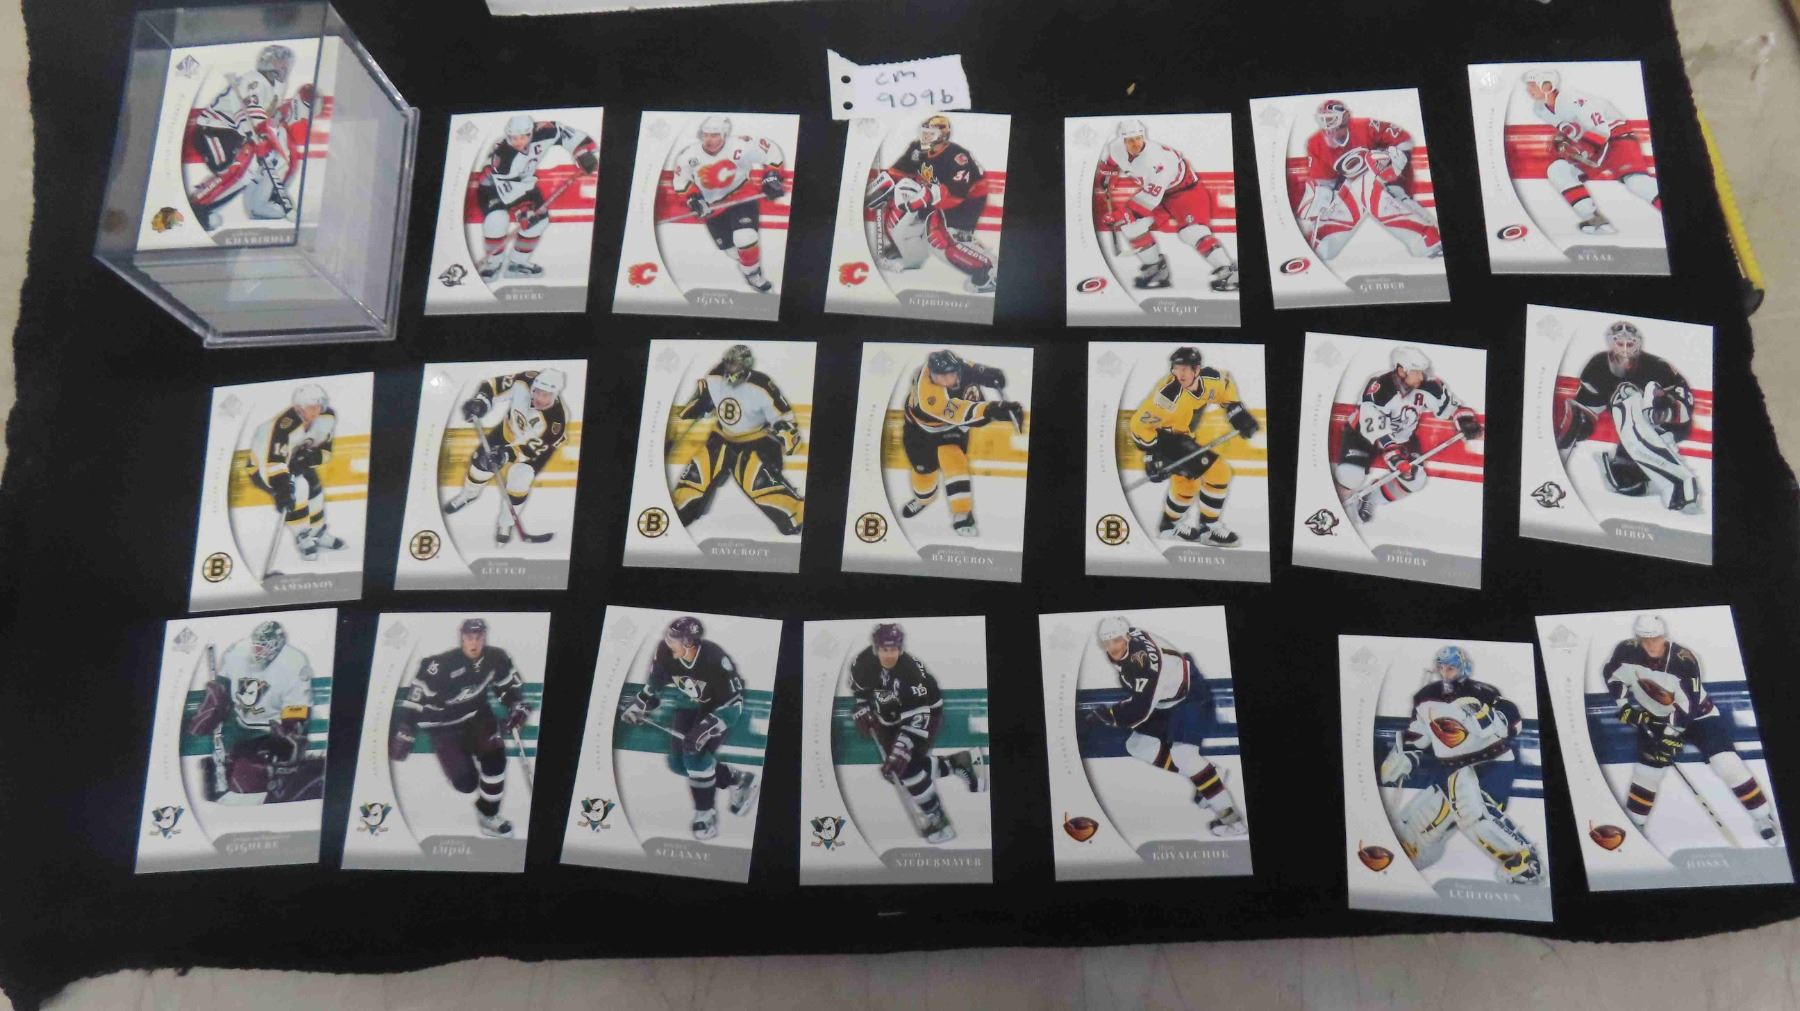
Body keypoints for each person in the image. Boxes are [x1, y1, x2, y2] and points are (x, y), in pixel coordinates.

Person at [1603, 614, 1779, 845]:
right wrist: (1624, 705)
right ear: (1638, 638)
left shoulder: (1684, 660)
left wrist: (1670, 737)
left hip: (1699, 716)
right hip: (1656, 718)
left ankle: (1763, 817)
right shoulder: (1626, 651)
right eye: (1645, 639)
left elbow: (1689, 706)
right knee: (1647, 773)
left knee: (1727, 763)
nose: (1651, 644)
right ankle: (1635, 827)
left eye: (1655, 638)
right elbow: (1612, 675)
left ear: (1663, 635)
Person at [1378, 646, 1543, 884]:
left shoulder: (1482, 691)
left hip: (1491, 763)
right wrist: (1405, 754)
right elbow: (1419, 732)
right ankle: (1409, 851)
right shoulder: (1426, 696)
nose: (1446, 672)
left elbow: (1513, 718)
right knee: (1433, 816)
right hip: (1453, 767)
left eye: (1452, 667)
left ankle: (1524, 861)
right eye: (1442, 667)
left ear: (1463, 667)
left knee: (1473, 813)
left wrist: (1495, 720)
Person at [1085, 617, 1244, 836]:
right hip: (1167, 698)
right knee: (1138, 746)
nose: (1112, 647)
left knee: (1184, 755)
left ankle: (1233, 822)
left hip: (1191, 694)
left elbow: (1139, 711)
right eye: (1106, 642)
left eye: (1116, 641)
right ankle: (1209, 774)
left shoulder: (1144, 665)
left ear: (1127, 637)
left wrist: (1109, 715)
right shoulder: (1127, 642)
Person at [619, 617, 760, 841]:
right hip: (690, 704)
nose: (668, 641)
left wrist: (704, 730)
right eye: (668, 636)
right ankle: (738, 779)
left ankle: (705, 814)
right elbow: (654, 686)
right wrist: (638, 706)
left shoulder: (715, 658)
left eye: (673, 639)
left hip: (719, 709)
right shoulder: (665, 651)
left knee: (694, 756)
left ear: (688, 642)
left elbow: (733, 704)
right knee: (678, 764)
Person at [389, 618, 532, 838]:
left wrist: (517, 706)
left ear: (484, 638)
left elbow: (508, 689)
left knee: (495, 760)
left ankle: (489, 815)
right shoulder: (440, 665)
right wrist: (406, 726)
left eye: (478, 637)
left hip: (476, 716)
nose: (474, 643)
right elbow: (415, 698)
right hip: (443, 725)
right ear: (462, 638)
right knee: (466, 784)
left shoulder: (496, 658)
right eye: (469, 637)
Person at [848, 623, 986, 845]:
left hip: (926, 713)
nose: (889, 654)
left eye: (894, 649)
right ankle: (959, 762)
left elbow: (917, 719)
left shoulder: (910, 672)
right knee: (896, 771)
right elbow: (861, 690)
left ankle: (939, 821)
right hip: (889, 714)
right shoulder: (862, 663)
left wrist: (901, 750)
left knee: (906, 767)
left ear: (900, 648)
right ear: (876, 648)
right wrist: (862, 707)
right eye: (884, 649)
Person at [1555, 320, 1700, 513]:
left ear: (1638, 343)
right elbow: (1587, 410)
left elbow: (1685, 408)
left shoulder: (1658, 367)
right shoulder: (1598, 366)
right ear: (1610, 342)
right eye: (1620, 343)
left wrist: (1663, 410)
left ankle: (1680, 481)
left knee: (1630, 395)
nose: (1624, 349)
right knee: (1627, 482)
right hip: (1632, 427)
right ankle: (1650, 466)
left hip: (1668, 424)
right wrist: (1575, 425)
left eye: (1629, 343)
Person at [1333, 346, 1482, 522]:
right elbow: (1373, 423)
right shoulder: (1380, 386)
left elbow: (1450, 407)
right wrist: (1394, 456)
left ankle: (1369, 498)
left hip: (1403, 437)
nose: (1421, 377)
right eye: (1416, 372)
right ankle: (1333, 504)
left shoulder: (1429, 385)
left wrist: (1465, 420)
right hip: (1362, 435)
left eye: (1422, 372)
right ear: (1401, 370)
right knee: (1350, 476)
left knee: (1416, 479)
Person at [1129, 346, 1260, 546]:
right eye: (1176, 368)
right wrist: (1152, 455)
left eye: (1185, 369)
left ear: (1197, 369)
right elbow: (1139, 426)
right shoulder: (1166, 397)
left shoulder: (1211, 380)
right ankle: (1210, 529)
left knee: (1187, 483)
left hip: (1183, 437)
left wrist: (1237, 412)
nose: (1179, 374)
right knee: (1219, 471)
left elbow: (1226, 386)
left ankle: (1169, 527)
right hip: (1165, 438)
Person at [669, 344, 804, 535]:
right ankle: (676, 516)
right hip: (721, 439)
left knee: (760, 484)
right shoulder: (714, 377)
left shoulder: (762, 384)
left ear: (746, 365)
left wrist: (786, 433)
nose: (729, 368)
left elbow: (783, 416)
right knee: (694, 479)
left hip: (755, 443)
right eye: (728, 363)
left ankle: (798, 515)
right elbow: (700, 404)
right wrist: (684, 421)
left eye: (734, 364)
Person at [187, 620, 323, 805]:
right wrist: (213, 701)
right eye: (257, 646)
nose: (258, 652)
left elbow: (296, 708)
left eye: (264, 648)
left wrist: (289, 732)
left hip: (272, 729)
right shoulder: (237, 652)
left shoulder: (294, 662)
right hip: (239, 723)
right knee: (231, 772)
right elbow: (223, 687)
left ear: (276, 646)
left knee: (255, 776)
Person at [1095, 119, 1238, 291]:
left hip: (1185, 193)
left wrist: (1117, 216)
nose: (1136, 143)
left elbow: (1142, 206)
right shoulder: (1116, 147)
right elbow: (1111, 163)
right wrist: (1108, 176)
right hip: (1160, 195)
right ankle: (1156, 269)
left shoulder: (1156, 161)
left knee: (1192, 232)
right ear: (1123, 140)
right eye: (1131, 140)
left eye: (1139, 138)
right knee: (1133, 227)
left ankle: (1230, 271)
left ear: (1143, 136)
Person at [897, 349, 1023, 537]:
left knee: (954, 459)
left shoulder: (957, 365)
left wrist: (989, 374)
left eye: (951, 374)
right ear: (931, 373)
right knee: (924, 471)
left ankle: (962, 514)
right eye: (940, 376)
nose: (947, 379)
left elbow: (973, 368)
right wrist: (991, 410)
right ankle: (924, 499)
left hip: (953, 427)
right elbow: (958, 412)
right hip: (920, 430)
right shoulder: (929, 395)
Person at [864, 115, 996, 293]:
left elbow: (957, 193)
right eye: (924, 132)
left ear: (943, 135)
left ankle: (986, 273)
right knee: (896, 206)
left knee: (940, 238)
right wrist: (875, 189)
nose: (925, 137)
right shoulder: (917, 148)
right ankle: (908, 252)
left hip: (966, 201)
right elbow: (897, 172)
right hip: (934, 193)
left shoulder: (957, 156)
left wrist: (924, 197)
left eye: (931, 133)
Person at [1296, 98, 1442, 260]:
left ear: (1345, 118)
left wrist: (1394, 158)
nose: (1327, 127)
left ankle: (1427, 240)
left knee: (1371, 182)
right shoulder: (1315, 143)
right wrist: (1318, 210)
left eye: (1330, 119)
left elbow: (1404, 139)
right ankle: (1432, 237)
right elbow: (1324, 184)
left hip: (1387, 181)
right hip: (1352, 189)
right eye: (1322, 120)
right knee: (1323, 249)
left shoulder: (1365, 127)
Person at [1521, 68, 1661, 235]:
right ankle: (1596, 221)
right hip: (1593, 140)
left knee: (1637, 182)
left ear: (1547, 85)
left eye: (1532, 85)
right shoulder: (1540, 108)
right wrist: (1563, 141)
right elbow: (1569, 128)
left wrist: (1581, 150)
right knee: (1558, 170)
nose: (1528, 89)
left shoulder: (1574, 99)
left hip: (1617, 138)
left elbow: (1601, 131)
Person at [442, 368, 570, 543]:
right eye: (537, 391)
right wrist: (480, 403)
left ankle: (506, 522)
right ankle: (469, 495)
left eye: (546, 395)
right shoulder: (524, 380)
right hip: (508, 432)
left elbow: (528, 450)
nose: (539, 398)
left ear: (555, 394)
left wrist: (504, 455)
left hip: (537, 449)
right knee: (480, 465)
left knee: (520, 479)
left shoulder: (556, 422)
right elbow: (492, 386)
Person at [671, 116, 787, 292]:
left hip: (740, 195)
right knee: (731, 250)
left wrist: (772, 175)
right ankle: (749, 261)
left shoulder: (740, 145)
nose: (709, 140)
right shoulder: (688, 156)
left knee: (745, 238)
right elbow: (681, 180)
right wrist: (693, 199)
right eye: (706, 135)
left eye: (715, 135)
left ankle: (753, 274)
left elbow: (770, 150)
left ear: (724, 134)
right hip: (712, 206)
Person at [476, 114, 599, 279]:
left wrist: (582, 153)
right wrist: (523, 211)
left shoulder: (544, 131)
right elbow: (507, 186)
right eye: (513, 138)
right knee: (496, 219)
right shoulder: (503, 154)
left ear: (531, 132)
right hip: (492, 187)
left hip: (524, 182)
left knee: (538, 222)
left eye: (523, 137)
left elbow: (565, 133)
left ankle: (517, 264)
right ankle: (493, 263)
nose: (518, 142)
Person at [244, 383, 346, 562]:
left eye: (320, 405)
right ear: (299, 408)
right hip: (262, 465)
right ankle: (302, 535)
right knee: (297, 490)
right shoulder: (284, 426)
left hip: (291, 458)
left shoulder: (327, 417)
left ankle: (317, 532)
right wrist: (282, 489)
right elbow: (273, 462)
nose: (317, 411)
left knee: (314, 485)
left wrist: (307, 460)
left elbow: (325, 453)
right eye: (312, 407)